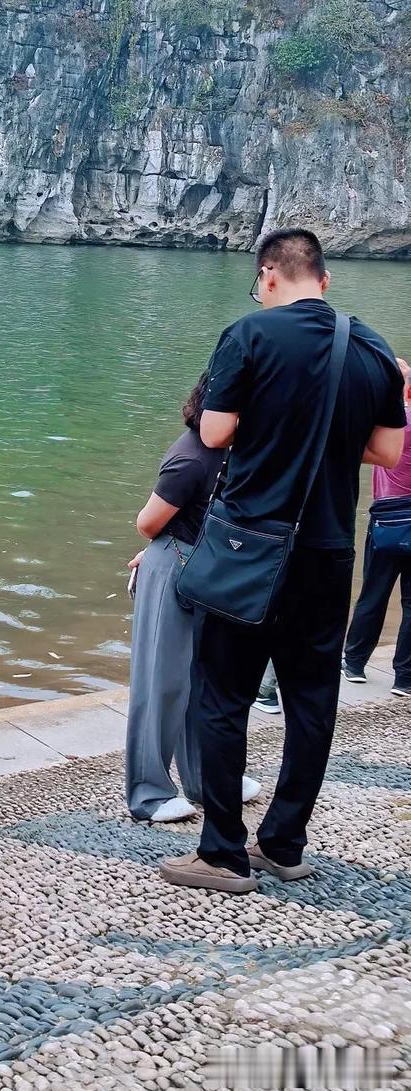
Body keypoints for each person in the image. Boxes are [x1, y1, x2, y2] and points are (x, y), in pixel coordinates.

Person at [161, 229, 405, 896]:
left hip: (250, 548)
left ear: (270, 275)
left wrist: (272, 433)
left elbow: (212, 433)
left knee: (223, 697)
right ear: (323, 280)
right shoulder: (374, 347)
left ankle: (222, 855)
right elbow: (386, 453)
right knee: (311, 701)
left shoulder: (249, 335)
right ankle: (284, 843)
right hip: (328, 552)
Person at [125, 374, 262, 824]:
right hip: (173, 567)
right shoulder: (190, 456)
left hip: (212, 571)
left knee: (206, 680)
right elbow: (148, 523)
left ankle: (207, 780)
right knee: (162, 683)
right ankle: (148, 792)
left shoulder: (238, 452)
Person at [344, 357, 411, 696]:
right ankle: (405, 678)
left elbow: (350, 445)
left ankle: (354, 663)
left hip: (389, 519)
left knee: (374, 593)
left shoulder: (391, 425)